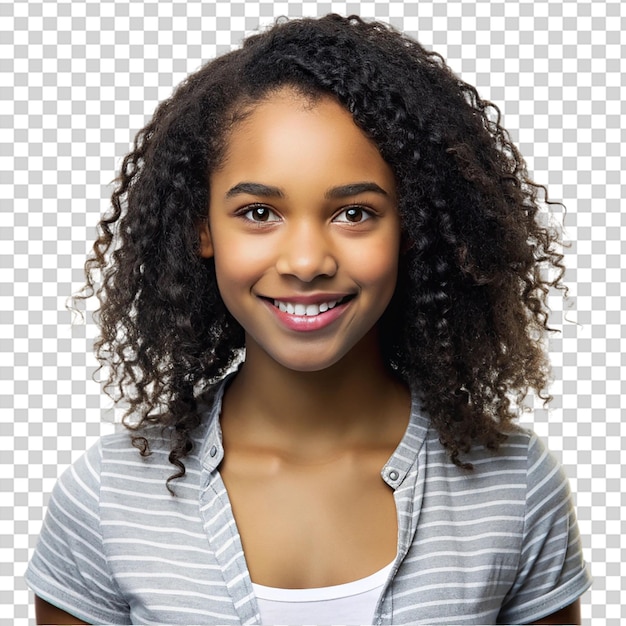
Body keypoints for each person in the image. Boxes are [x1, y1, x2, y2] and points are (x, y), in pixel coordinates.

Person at [26, 14, 591, 625]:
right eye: (259, 211)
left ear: (412, 226)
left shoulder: (516, 489)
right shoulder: (108, 498)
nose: (305, 262)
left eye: (353, 213)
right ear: (201, 228)